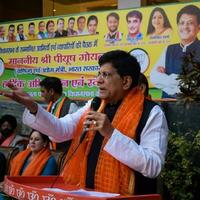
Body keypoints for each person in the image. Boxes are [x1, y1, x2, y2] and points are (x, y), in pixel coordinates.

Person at [0, 50, 168, 195]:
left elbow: (153, 166)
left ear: (126, 81)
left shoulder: (151, 112)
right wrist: (33, 107)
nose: (98, 80)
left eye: (106, 75)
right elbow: (61, 130)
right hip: (88, 194)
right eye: (99, 74)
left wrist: (110, 133)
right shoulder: (94, 104)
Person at [150, 4, 200, 98]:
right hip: (168, 106)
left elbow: (196, 86)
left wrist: (167, 79)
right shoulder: (169, 49)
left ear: (198, 27)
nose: (185, 27)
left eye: (190, 23)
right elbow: (154, 77)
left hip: (195, 107)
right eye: (182, 23)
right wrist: (183, 82)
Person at [39, 77, 78, 151]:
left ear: (51, 91)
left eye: (43, 91)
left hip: (66, 153)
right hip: (52, 151)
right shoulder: (51, 106)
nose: (41, 95)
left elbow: (76, 133)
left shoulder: (71, 106)